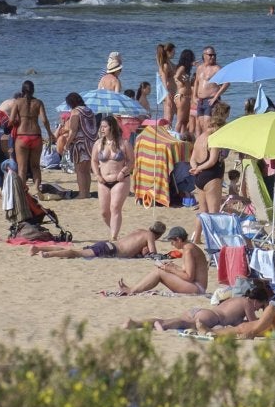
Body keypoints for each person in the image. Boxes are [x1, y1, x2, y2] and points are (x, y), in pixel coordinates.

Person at [122, 279, 272, 333]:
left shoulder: (237, 299)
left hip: (200, 311)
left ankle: (135, 323)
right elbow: (254, 323)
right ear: (256, 300)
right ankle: (160, 324)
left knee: (171, 320)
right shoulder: (248, 303)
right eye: (261, 305)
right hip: (211, 318)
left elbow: (238, 323)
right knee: (180, 323)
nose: (259, 309)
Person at [118, 227, 208, 295]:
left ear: (179, 240)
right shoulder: (189, 247)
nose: (172, 244)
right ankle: (133, 289)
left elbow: (189, 277)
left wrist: (171, 270)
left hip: (196, 288)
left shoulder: (188, 251)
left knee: (159, 272)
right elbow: (189, 271)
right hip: (196, 285)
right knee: (162, 269)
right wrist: (174, 267)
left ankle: (132, 291)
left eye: (172, 241)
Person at [32, 222, 164, 259]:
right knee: (74, 253)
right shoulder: (150, 236)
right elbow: (153, 255)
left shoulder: (140, 231)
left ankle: (39, 248)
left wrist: (142, 252)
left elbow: (134, 246)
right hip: (110, 250)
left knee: (74, 251)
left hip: (108, 245)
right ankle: (48, 254)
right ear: (158, 235)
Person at [5, 81, 48, 188]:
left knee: (22, 168)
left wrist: (16, 122)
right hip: (36, 136)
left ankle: (22, 192)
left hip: (22, 136)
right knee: (36, 167)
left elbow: (10, 120)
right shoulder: (39, 102)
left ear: (22, 90)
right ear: (33, 90)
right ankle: (37, 189)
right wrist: (50, 133)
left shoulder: (18, 102)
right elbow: (44, 120)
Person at [93, 115, 131, 237]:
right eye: (101, 127)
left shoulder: (123, 143)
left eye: (104, 127)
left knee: (115, 208)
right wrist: (97, 175)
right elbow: (93, 161)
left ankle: (113, 237)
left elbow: (131, 161)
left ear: (112, 127)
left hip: (120, 180)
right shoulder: (98, 144)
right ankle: (114, 230)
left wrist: (123, 172)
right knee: (104, 212)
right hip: (103, 181)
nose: (102, 129)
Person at [56, 92, 98, 200]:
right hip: (90, 143)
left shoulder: (75, 112)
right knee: (87, 170)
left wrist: (67, 144)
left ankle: (82, 193)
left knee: (80, 170)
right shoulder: (89, 110)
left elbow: (73, 130)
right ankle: (87, 192)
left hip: (80, 144)